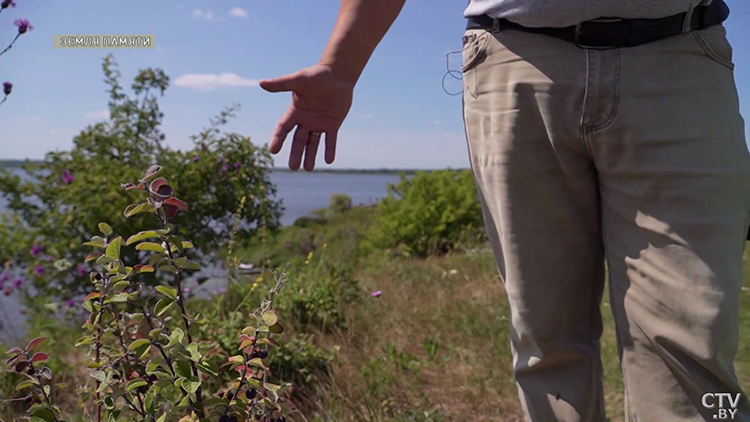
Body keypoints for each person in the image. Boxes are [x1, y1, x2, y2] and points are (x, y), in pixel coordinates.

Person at [259, 0, 750, 420]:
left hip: (682, 52)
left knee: (694, 342)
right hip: (513, 58)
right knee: (544, 342)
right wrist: (341, 65)